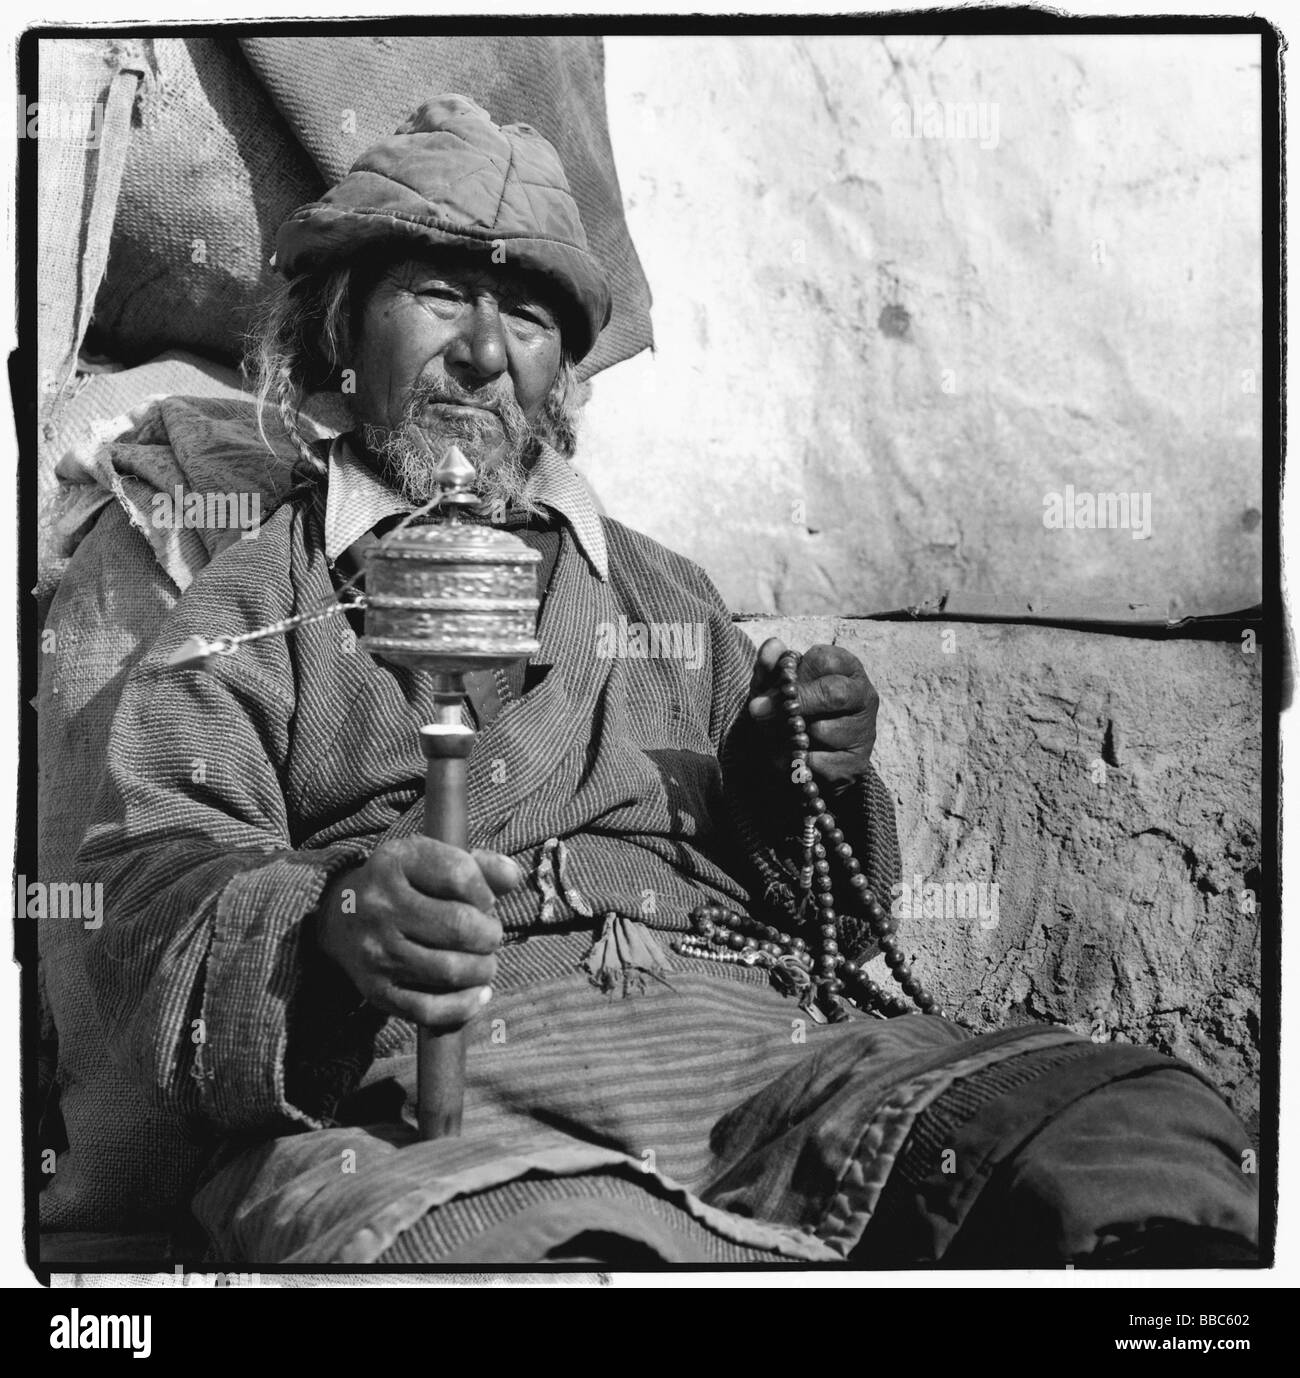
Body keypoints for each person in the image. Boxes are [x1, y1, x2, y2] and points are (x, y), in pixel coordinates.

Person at [76, 94, 1258, 1267]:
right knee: (507, 1254)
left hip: (766, 1065)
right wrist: (336, 920)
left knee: (1122, 1141)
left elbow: (839, 925)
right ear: (340, 326)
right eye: (439, 296)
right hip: (452, 1097)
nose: (485, 354)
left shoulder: (663, 593)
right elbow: (151, 900)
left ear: (558, 378)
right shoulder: (253, 601)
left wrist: (796, 783)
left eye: (529, 318)